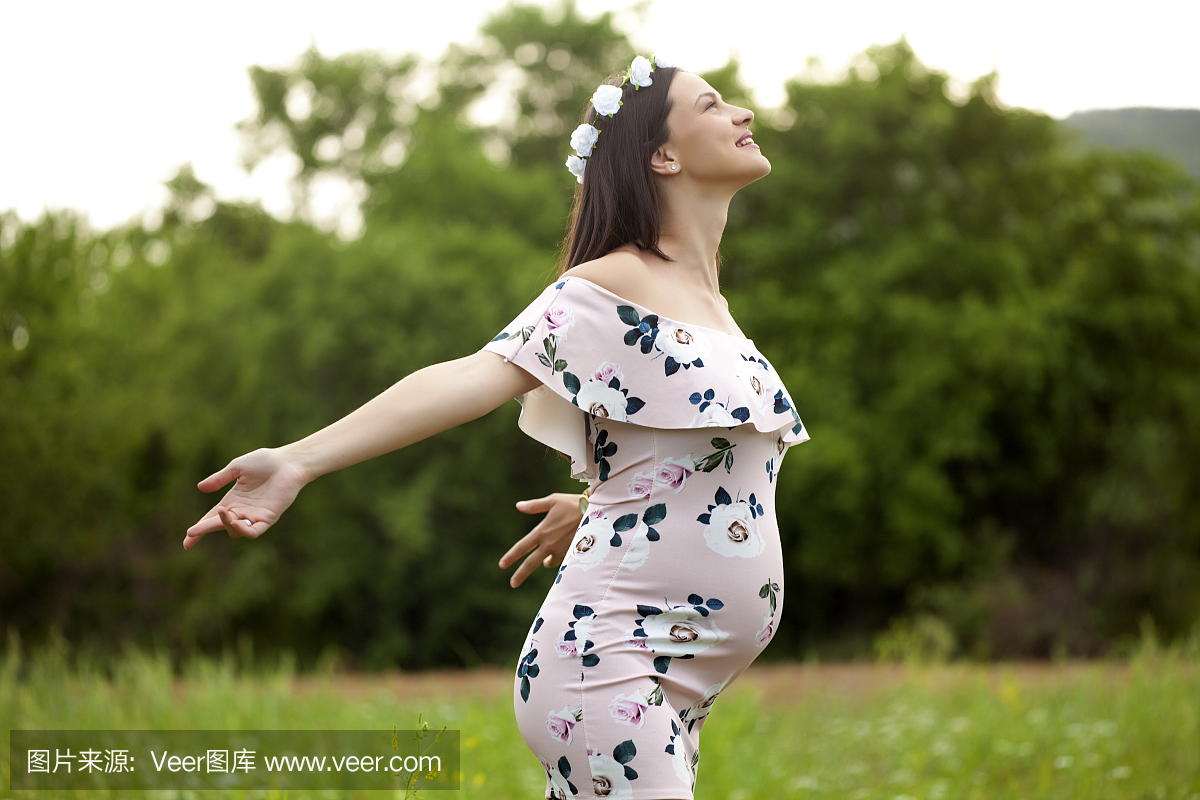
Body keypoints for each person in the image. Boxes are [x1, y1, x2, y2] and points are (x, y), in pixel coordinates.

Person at [184, 52, 808, 800]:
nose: (742, 113)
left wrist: (597, 508)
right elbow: (474, 377)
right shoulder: (614, 280)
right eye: (712, 105)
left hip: (673, 685)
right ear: (663, 155)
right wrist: (298, 461)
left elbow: (698, 464)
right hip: (611, 666)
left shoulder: (712, 308)